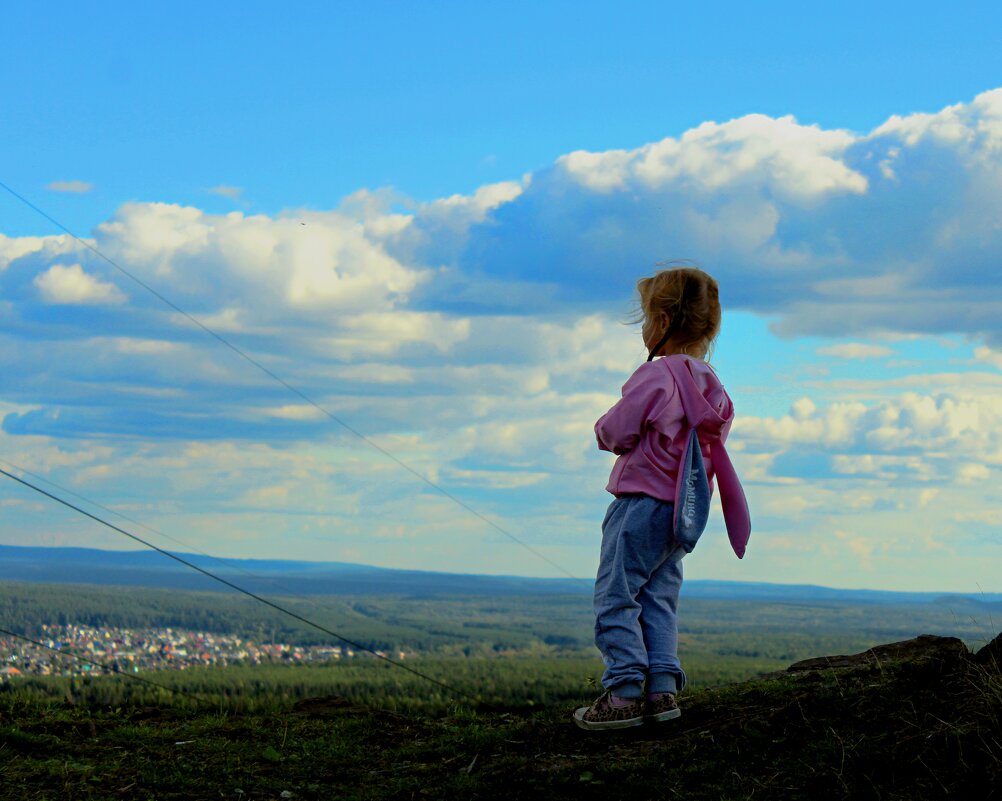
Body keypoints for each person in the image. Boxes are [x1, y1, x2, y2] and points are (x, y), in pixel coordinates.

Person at [573, 265, 751, 731]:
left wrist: (602, 429)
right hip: (683, 511)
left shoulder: (657, 377)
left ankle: (625, 691)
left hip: (639, 506)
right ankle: (662, 689)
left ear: (665, 320)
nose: (645, 328)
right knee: (659, 595)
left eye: (648, 318)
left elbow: (614, 431)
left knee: (616, 594)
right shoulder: (714, 388)